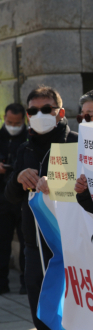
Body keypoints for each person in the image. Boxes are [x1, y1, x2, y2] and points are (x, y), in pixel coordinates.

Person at [4, 86, 93, 330]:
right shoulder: (24, 148)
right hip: (36, 249)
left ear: (61, 112)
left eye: (47, 109)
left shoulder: (79, 143)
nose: (40, 115)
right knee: (43, 322)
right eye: (34, 111)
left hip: (76, 249)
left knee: (81, 321)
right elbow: (11, 196)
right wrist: (17, 178)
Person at [0, 103, 27, 294]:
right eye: (9, 122)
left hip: (23, 199)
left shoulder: (30, 137)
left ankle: (27, 285)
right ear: (4, 117)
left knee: (27, 244)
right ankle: (2, 284)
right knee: (2, 243)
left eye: (17, 123)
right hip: (2, 199)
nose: (13, 125)